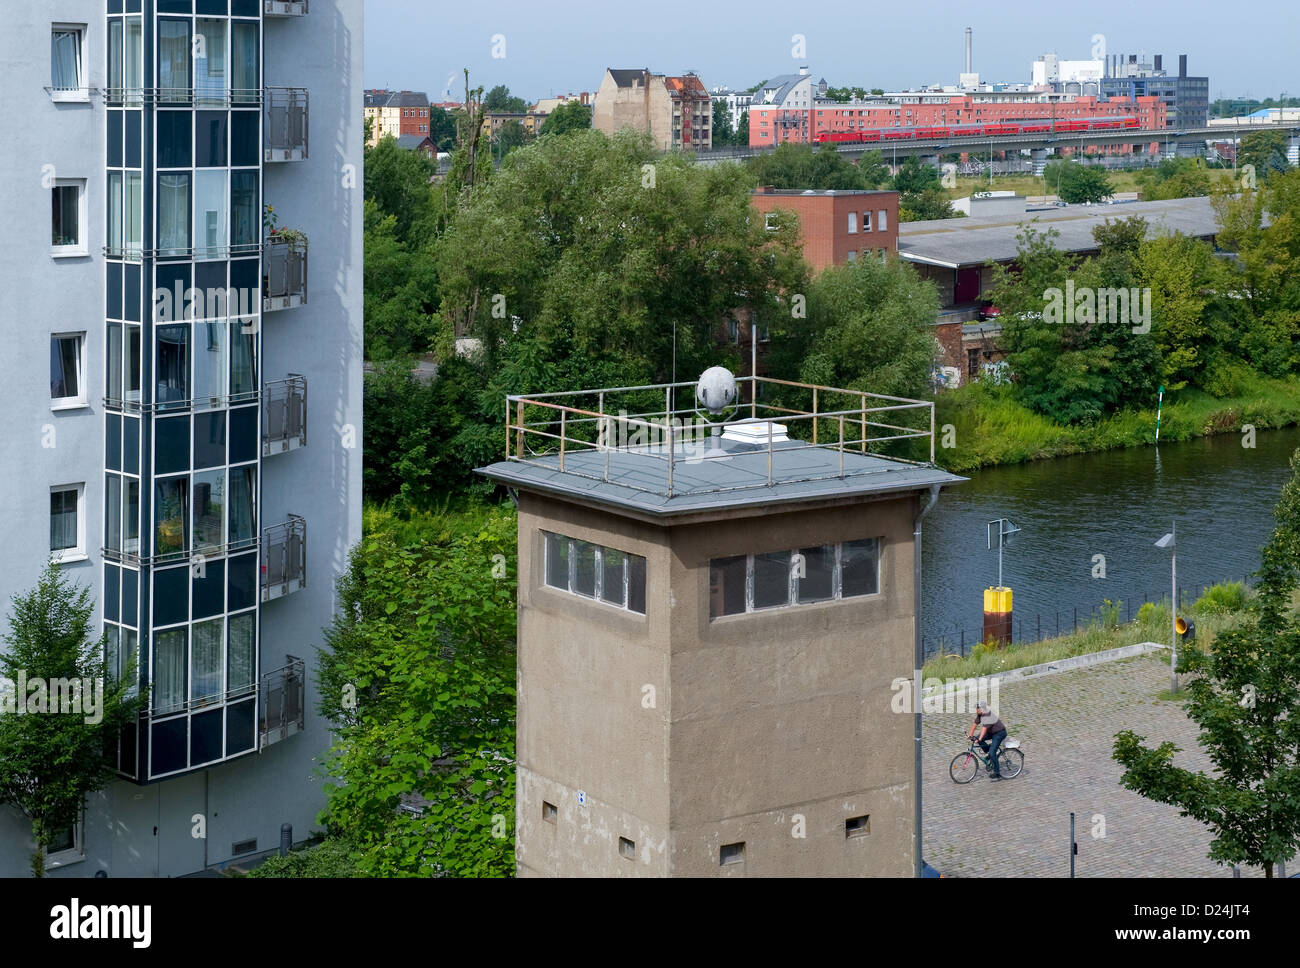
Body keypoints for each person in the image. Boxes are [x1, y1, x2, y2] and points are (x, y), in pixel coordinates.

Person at [967, 701, 1008, 781]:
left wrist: (979, 739)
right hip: (991, 732)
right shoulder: (980, 714)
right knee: (978, 739)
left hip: (999, 733)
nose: (976, 710)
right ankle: (990, 753)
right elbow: (974, 725)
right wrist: (970, 736)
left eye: (977, 708)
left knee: (992, 752)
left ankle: (997, 773)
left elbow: (984, 729)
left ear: (982, 709)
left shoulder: (988, 715)